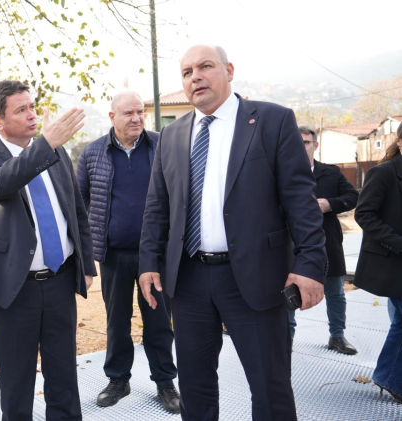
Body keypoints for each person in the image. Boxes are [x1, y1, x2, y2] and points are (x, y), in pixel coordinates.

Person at [138, 45, 327, 420]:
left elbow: (300, 201)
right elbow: (157, 205)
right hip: (188, 280)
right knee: (194, 388)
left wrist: (309, 265)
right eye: (187, 72)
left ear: (229, 70)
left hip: (256, 277)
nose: (195, 77)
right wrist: (148, 262)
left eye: (205, 66)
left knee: (270, 387)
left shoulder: (272, 121)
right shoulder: (171, 135)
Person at [0, 79, 96, 420]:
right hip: (13, 290)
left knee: (64, 377)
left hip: (60, 282)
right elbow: (1, 184)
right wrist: (46, 144)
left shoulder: (56, 153)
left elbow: (75, 210)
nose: (32, 115)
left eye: (32, 107)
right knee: (16, 384)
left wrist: (86, 264)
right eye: (21, 110)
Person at [77, 90, 179, 412]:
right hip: (114, 255)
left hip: (156, 255)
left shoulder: (162, 145)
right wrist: (93, 235)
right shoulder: (92, 152)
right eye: (128, 113)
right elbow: (80, 200)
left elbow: (178, 192)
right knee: (117, 320)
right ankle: (118, 380)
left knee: (159, 321)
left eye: (140, 111)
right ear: (112, 117)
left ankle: (165, 382)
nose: (136, 118)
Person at [288, 125, 358, 354]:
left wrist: (329, 204)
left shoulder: (331, 173)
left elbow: (353, 196)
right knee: (288, 292)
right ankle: (286, 338)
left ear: (315, 145)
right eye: (297, 142)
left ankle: (337, 336)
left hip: (328, 242)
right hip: (291, 243)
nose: (301, 147)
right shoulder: (282, 172)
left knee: (335, 292)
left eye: (306, 142)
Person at [354, 124, 402, 403]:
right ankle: (390, 378)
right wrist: (398, 242)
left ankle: (389, 376)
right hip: (393, 260)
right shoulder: (382, 173)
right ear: (400, 142)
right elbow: (364, 215)